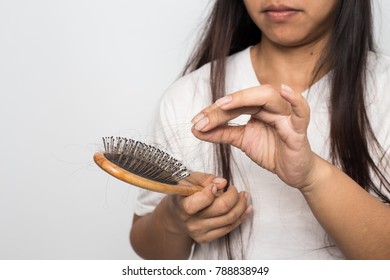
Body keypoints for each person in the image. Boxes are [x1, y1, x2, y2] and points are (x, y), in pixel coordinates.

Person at [130, 0, 390, 259]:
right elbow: (150, 248)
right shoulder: (187, 94)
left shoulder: (382, 89)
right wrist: (175, 218)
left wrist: (312, 174)